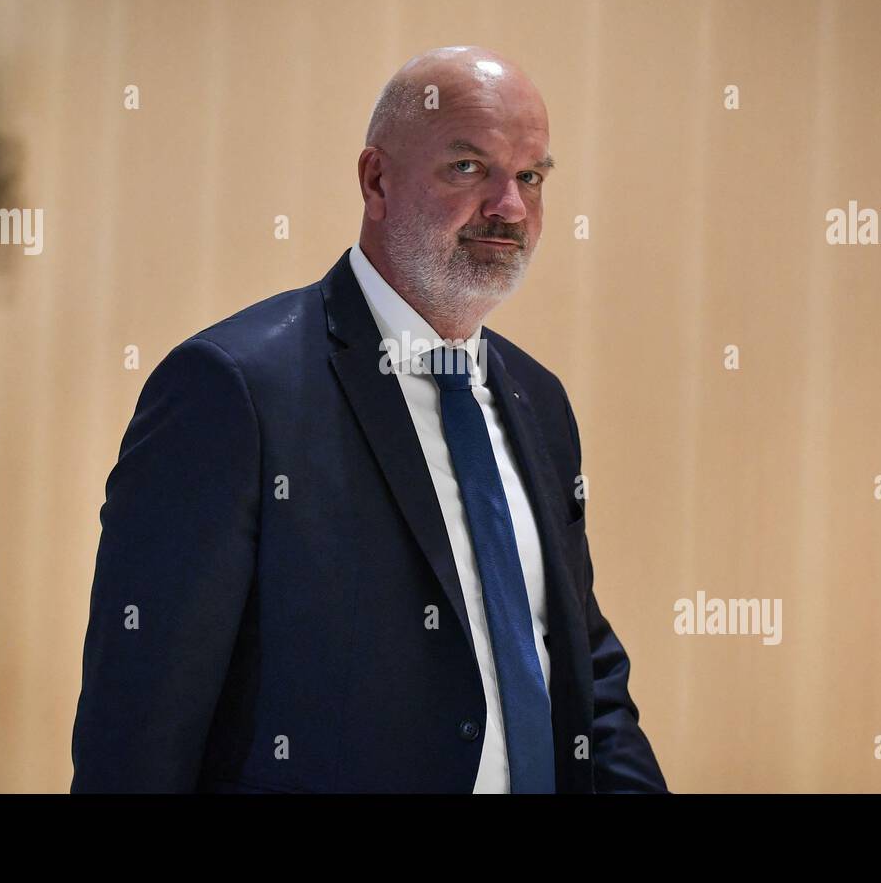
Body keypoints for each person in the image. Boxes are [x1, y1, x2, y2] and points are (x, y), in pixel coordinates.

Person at [70, 46, 669, 793]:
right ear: (376, 180)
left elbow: (580, 658)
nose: (509, 207)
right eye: (468, 168)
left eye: (531, 177)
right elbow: (140, 729)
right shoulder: (234, 392)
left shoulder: (537, 402)